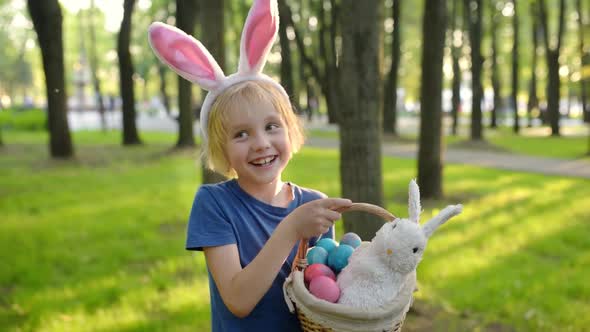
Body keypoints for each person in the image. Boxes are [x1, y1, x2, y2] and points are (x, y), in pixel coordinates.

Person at [148, 1, 351, 331]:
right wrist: (290, 229)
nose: (260, 142)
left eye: (272, 126)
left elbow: (326, 294)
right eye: (241, 134)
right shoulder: (215, 205)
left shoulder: (312, 205)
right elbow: (238, 300)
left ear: (291, 130)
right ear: (223, 151)